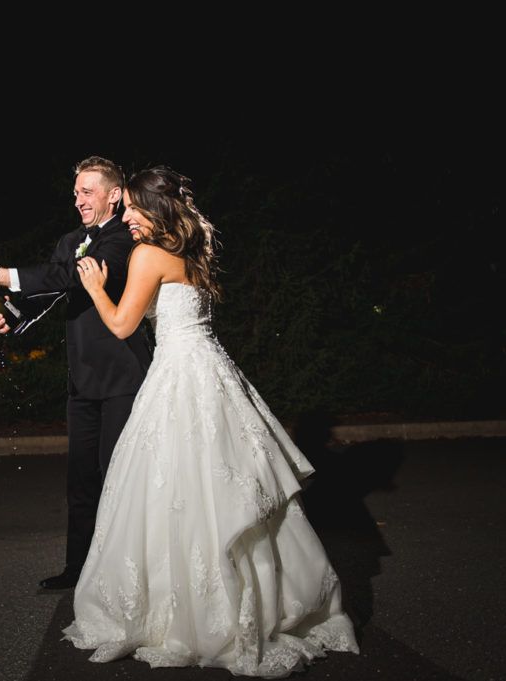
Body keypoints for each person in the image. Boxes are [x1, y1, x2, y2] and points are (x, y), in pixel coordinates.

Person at [65, 166, 358, 676]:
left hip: (179, 376)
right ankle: (256, 601)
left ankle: (194, 612)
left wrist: (93, 286)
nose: (127, 216)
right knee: (220, 483)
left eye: (133, 207)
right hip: (214, 374)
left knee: (175, 485)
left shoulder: (149, 255)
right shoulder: (191, 255)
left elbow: (120, 324)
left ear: (154, 209)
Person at [0, 156, 152, 590]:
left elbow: (69, 277)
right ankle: (78, 569)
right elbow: (48, 292)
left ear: (114, 195)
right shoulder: (70, 240)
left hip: (124, 378)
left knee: (118, 476)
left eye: (88, 191)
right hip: (81, 380)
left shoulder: (126, 238)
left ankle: (124, 575)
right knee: (81, 479)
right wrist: (10, 313)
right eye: (76, 193)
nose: (79, 200)